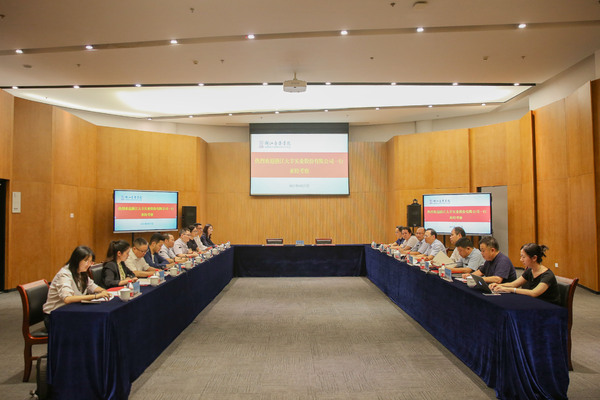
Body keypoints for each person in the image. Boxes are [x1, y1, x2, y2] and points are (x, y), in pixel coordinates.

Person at [43, 246, 110, 331]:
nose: (89, 264)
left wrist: (103, 291)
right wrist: (95, 296)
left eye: (90, 261)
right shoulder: (64, 274)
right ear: (77, 260)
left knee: (97, 320)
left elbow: (92, 286)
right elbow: (67, 299)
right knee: (92, 323)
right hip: (55, 316)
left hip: (72, 311)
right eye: (86, 261)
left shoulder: (81, 272)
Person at [489, 243, 561, 305]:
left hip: (549, 308)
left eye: (523, 257)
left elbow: (534, 293)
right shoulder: (529, 270)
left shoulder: (547, 275)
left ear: (534, 258)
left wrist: (509, 289)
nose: (521, 259)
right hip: (535, 303)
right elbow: (514, 284)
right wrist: (498, 285)